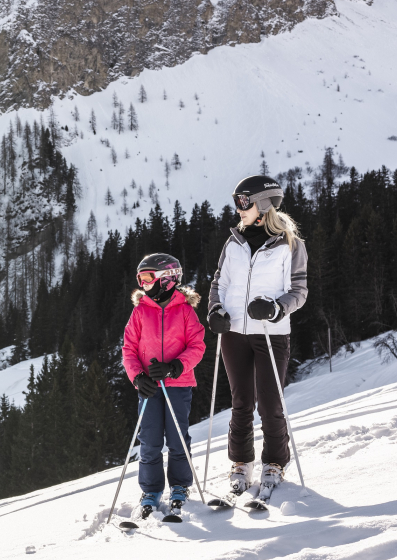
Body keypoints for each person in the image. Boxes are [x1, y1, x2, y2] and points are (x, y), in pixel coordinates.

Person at [207, 175, 308, 500]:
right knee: (240, 402)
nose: (239, 209)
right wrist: (215, 310)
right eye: (237, 202)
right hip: (234, 333)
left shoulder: (290, 244)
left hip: (270, 333)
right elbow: (219, 284)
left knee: (269, 403)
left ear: (263, 204)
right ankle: (240, 463)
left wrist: (277, 308)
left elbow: (299, 291)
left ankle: (275, 462)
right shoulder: (233, 243)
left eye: (244, 202)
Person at [122, 253, 206, 518]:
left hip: (178, 384)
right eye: (141, 279)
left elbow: (197, 345)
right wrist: (137, 377)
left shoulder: (185, 311)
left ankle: (180, 486)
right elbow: (128, 349)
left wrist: (175, 367)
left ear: (167, 279)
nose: (143, 284)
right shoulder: (140, 311)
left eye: (148, 278)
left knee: (177, 437)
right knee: (149, 440)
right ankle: (151, 490)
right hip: (148, 387)